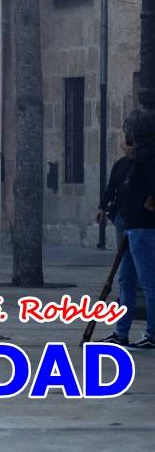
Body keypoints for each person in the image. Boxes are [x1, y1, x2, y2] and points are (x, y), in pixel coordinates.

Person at [117, 109, 155, 349]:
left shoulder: (147, 155)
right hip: (133, 227)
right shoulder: (140, 156)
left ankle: (152, 333)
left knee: (148, 282)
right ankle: (121, 331)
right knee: (126, 280)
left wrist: (150, 201)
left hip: (142, 227)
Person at [97, 130, 137, 345]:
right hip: (122, 219)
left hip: (138, 223)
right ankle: (121, 331)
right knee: (125, 277)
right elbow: (111, 187)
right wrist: (103, 207)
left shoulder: (142, 165)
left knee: (141, 279)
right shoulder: (121, 165)